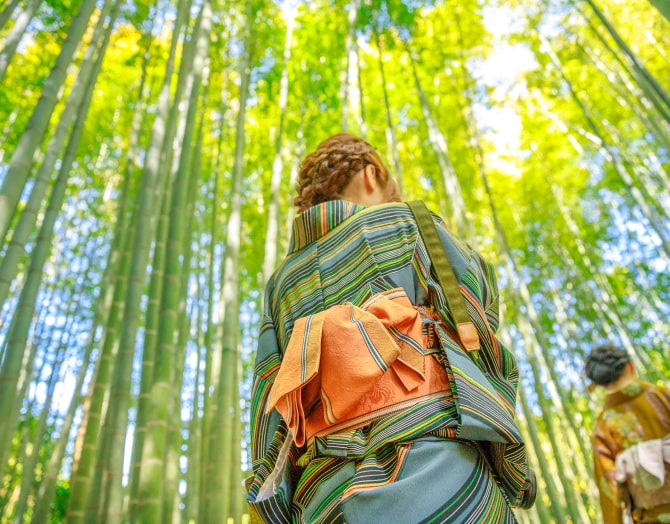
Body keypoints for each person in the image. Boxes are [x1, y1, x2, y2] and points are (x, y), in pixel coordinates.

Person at [247, 133, 535, 523]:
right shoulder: (406, 220)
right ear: (371, 174)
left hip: (323, 493)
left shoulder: (281, 282)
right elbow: (472, 307)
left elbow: (270, 398)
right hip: (433, 460)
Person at [585, 344, 670, 523]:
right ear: (629, 366)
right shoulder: (663, 396)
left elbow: (610, 488)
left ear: (598, 383)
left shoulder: (603, 426)